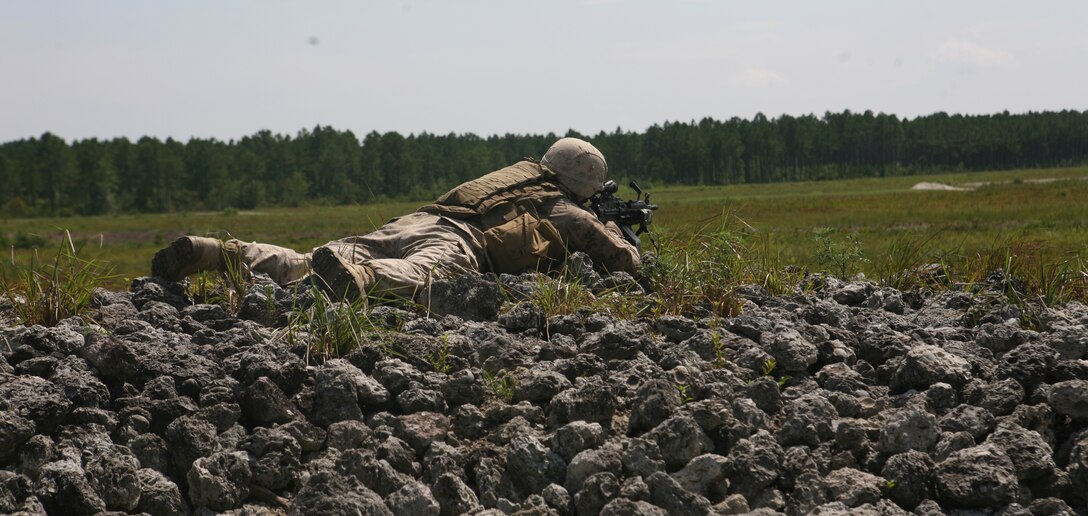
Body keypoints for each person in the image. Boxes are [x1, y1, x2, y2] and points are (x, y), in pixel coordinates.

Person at [151, 137, 641, 302]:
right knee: (430, 276)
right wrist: (620, 233)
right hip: (458, 239)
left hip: (414, 221)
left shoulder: (515, 175)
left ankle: (218, 252)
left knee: (309, 262)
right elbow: (621, 262)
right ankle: (363, 279)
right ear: (584, 185)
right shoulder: (561, 206)